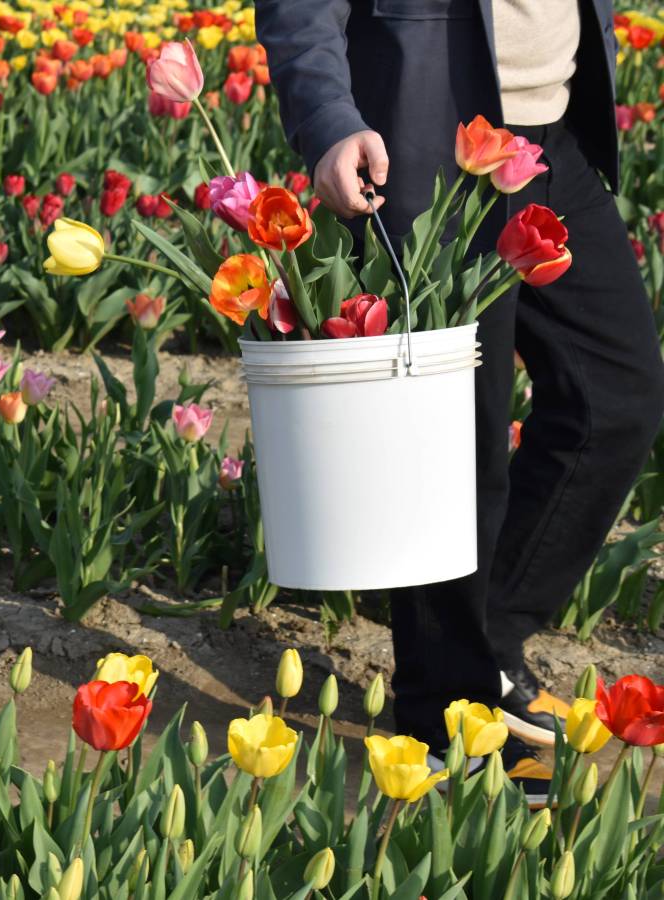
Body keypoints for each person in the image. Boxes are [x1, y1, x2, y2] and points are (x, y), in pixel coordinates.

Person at [255, 0, 664, 778]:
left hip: (553, 136)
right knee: (452, 436)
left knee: (618, 395)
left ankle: (487, 641)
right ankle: (452, 710)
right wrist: (330, 118)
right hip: (423, 135)